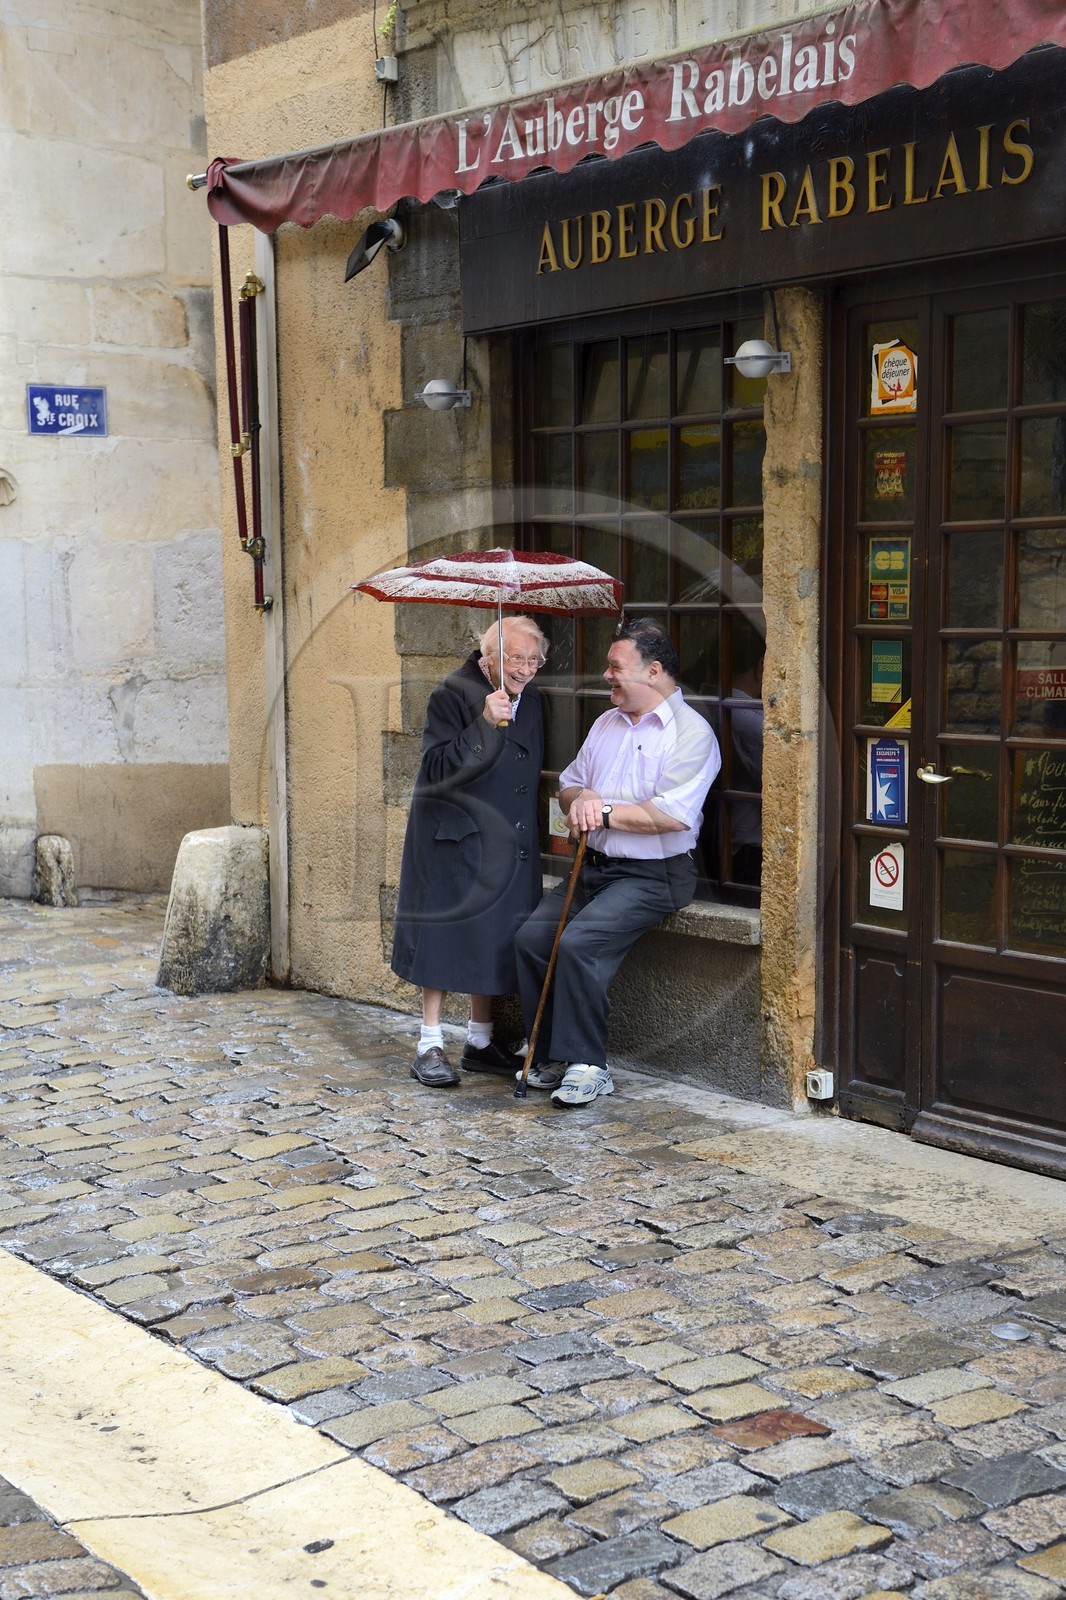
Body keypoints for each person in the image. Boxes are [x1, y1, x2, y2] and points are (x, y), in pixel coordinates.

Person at [514, 617, 721, 1107]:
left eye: (614, 666)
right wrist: (581, 797)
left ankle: (589, 1064)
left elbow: (672, 815)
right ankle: (547, 1056)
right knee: (530, 940)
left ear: (653, 671)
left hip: (655, 874)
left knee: (581, 943)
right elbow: (568, 783)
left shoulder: (692, 734)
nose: (605, 675)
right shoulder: (606, 723)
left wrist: (601, 809)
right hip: (594, 866)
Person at [392, 614, 547, 1087]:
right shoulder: (453, 692)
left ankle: (480, 1042)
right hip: (453, 838)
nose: (526, 669)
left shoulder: (534, 698)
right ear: (490, 658)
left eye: (534, 659)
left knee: (494, 938)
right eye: (516, 659)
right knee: (443, 937)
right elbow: (437, 768)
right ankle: (429, 1044)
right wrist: (484, 723)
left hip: (508, 839)